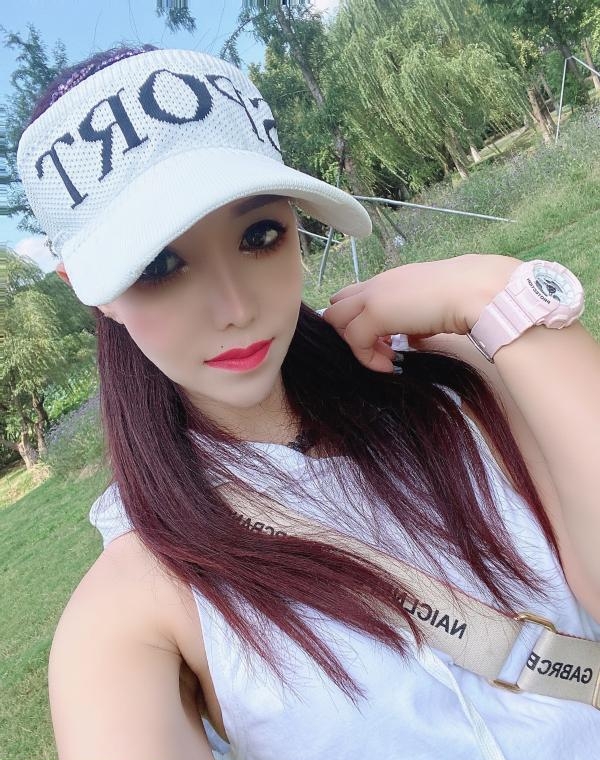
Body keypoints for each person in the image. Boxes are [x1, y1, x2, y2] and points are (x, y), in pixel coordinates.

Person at [17, 45, 600, 760]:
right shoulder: (130, 609)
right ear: (92, 291)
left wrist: (505, 299)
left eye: (260, 235)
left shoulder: (453, 380)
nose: (235, 308)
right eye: (159, 266)